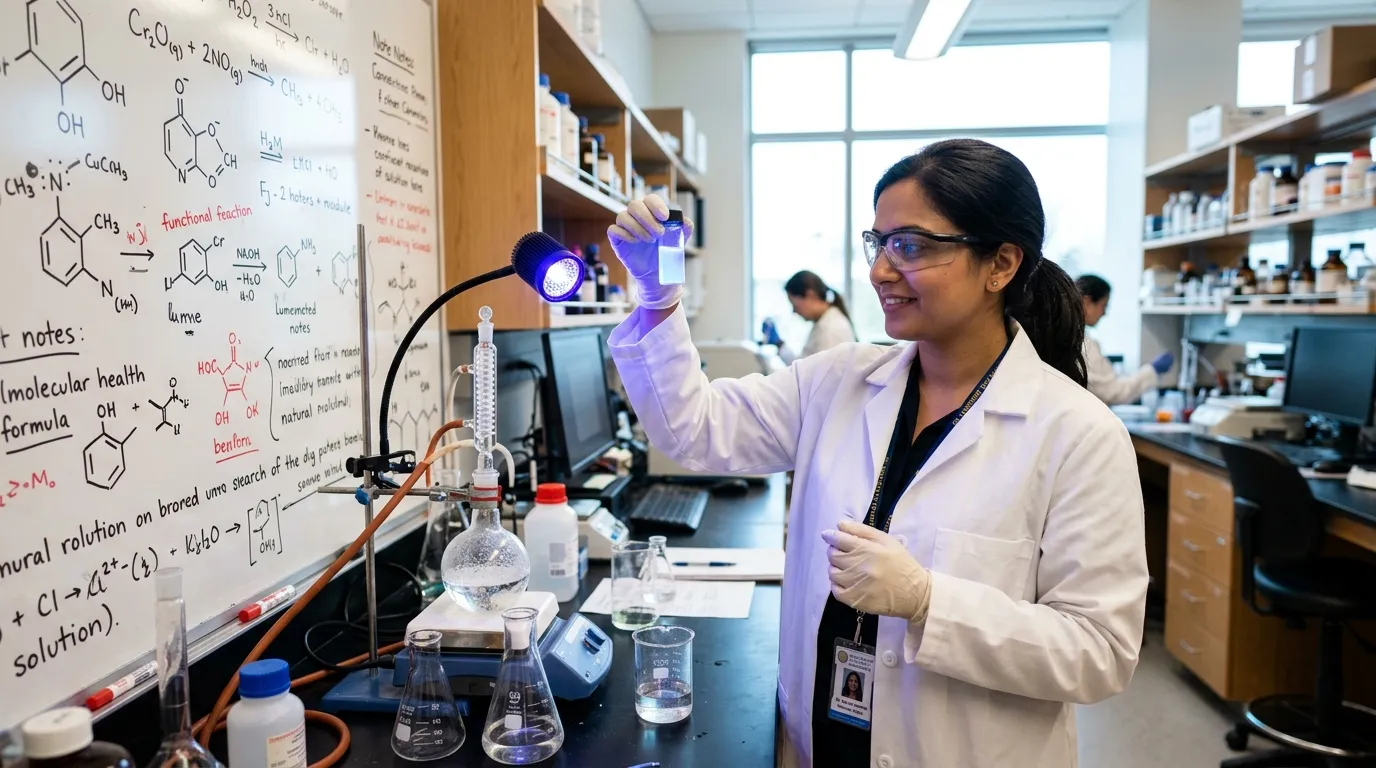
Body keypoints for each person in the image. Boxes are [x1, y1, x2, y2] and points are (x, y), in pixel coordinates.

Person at [606, 140, 1146, 768]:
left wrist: (927, 600)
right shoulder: (837, 381)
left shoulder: (1078, 433)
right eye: (879, 242)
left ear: (1000, 263)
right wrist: (657, 296)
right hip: (816, 742)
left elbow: (1100, 652)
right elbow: (693, 431)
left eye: (910, 246)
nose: (880, 270)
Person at [1077, 274, 1174, 405]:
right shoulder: (1082, 344)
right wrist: (1153, 370)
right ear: (1087, 301)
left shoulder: (1075, 338)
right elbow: (1113, 392)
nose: (1104, 313)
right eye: (1103, 305)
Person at [761, 271, 857, 363]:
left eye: (795, 305)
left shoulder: (830, 329)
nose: (794, 311)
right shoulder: (825, 321)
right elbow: (804, 366)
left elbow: (812, 375)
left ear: (810, 295)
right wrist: (779, 344)